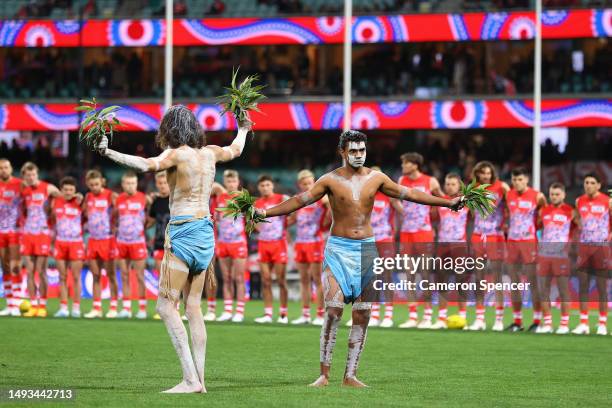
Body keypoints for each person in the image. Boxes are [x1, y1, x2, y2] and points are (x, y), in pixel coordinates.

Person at [256, 130, 463, 387]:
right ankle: (324, 374)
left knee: (363, 314)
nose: (358, 155)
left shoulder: (377, 178)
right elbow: (299, 201)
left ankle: (350, 375)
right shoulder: (329, 180)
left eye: (362, 150)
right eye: (353, 151)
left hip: (366, 250)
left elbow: (410, 194)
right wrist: (264, 212)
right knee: (333, 311)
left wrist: (447, 202)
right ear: (342, 152)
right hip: (338, 249)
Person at [95, 104, 251, 393]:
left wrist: (108, 152)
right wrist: (243, 127)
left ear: (169, 129)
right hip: (206, 232)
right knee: (193, 307)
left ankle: (190, 380)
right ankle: (200, 380)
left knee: (166, 307)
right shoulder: (211, 152)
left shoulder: (175, 154)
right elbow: (236, 149)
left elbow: (145, 164)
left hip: (183, 231)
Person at [396, 152, 443, 329]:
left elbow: (442, 199)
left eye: (405, 163)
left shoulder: (430, 181)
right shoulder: (401, 181)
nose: (402, 167)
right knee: (409, 275)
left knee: (424, 275)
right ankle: (413, 316)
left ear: (414, 165)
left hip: (424, 233)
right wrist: (402, 210)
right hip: (407, 232)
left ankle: (428, 315)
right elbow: (394, 199)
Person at [468, 161, 510, 331]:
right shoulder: (473, 189)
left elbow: (512, 205)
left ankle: (499, 319)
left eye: (488, 173)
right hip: (478, 235)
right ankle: (480, 318)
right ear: (477, 174)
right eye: (482, 173)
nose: (486, 176)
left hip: (495, 235)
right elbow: (472, 213)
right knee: (479, 278)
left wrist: (505, 222)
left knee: (497, 277)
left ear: (493, 173)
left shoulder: (502, 187)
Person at [505, 167, 546, 332]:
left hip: (529, 242)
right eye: (514, 180)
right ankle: (517, 321)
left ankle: (537, 321)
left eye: (520, 179)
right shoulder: (509, 195)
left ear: (526, 179)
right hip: (512, 242)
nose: (517, 183)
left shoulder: (538, 196)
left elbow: (545, 215)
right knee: (514, 283)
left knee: (532, 282)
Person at [20, 162, 62, 318]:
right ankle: (32, 305)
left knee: (41, 272)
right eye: (27, 175)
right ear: (24, 176)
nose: (31, 177)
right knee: (30, 272)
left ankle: (42, 305)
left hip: (43, 234)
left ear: (37, 174)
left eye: (33, 174)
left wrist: (52, 207)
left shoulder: (48, 188)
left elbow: (63, 198)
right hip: (28, 234)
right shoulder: (23, 191)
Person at [572, 173, 610, 336]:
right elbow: (577, 219)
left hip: (601, 247)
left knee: (601, 286)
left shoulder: (607, 201)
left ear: (599, 185)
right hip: (584, 247)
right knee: (583, 286)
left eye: (592, 183)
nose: (588, 185)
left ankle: (602, 323)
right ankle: (583, 323)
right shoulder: (579, 201)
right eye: (586, 182)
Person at [536, 182, 576, 334]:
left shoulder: (570, 211)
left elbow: (579, 227)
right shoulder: (543, 211)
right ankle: (547, 323)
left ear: (564, 195)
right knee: (543, 290)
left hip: (561, 256)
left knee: (563, 290)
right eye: (552, 194)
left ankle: (564, 324)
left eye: (557, 194)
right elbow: (538, 228)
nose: (554, 197)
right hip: (544, 255)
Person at [431, 173, 470, 330]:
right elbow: (432, 219)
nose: (449, 186)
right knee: (442, 282)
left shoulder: (466, 203)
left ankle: (463, 317)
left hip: (459, 245)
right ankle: (441, 317)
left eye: (453, 184)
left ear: (459, 186)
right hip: (443, 245)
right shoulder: (441, 203)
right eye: (447, 184)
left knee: (461, 282)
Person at [291, 169, 330, 326]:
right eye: (305, 183)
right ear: (300, 185)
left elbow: (331, 210)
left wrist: (325, 223)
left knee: (317, 279)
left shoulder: (321, 198)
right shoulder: (298, 199)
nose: (308, 185)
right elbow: (292, 219)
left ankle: (320, 314)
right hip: (300, 242)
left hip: (315, 242)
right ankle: (305, 313)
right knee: (304, 279)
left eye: (310, 182)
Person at [212, 170, 248, 323]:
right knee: (226, 278)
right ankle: (227, 310)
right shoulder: (219, 197)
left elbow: (252, 218)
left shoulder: (243, 198)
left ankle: (239, 311)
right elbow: (215, 218)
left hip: (238, 242)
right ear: (225, 182)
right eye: (228, 181)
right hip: (223, 242)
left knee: (238, 278)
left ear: (238, 182)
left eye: (234, 181)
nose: (231, 184)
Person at [368, 166, 402, 328]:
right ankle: (373, 314)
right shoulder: (364, 195)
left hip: (386, 239)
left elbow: (402, 212)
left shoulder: (389, 195)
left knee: (386, 277)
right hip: (368, 240)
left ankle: (388, 314)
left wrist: (398, 232)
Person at [253, 175, 290, 324]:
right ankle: (268, 314)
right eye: (262, 185)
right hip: (263, 243)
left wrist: (285, 227)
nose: (265, 188)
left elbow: (293, 213)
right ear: (259, 188)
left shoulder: (281, 198)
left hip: (278, 243)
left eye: (268, 185)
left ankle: (283, 314)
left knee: (281, 280)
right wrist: (258, 229)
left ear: (272, 185)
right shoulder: (257, 203)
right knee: (266, 280)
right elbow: (251, 220)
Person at [83, 170, 119, 319]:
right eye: (91, 185)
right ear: (87, 184)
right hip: (93, 239)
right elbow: (85, 213)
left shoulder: (111, 195)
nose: (94, 187)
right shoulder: (88, 196)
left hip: (108, 239)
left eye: (96, 184)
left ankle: (113, 307)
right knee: (96, 274)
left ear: (102, 182)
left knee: (110, 275)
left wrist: (114, 224)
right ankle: (96, 307)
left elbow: (120, 210)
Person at [114, 171, 151, 319]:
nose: (130, 186)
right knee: (124, 275)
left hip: (137, 242)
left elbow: (151, 217)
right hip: (122, 242)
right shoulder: (118, 200)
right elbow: (115, 218)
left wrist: (143, 229)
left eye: (133, 183)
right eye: (127, 183)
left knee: (140, 276)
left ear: (136, 184)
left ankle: (142, 309)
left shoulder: (145, 198)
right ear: (123, 185)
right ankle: (127, 308)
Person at [51, 177, 85, 318]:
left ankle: (76, 308)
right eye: (65, 190)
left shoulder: (79, 203)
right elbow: (53, 220)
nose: (68, 192)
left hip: (76, 242)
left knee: (76, 277)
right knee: (62, 276)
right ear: (61, 190)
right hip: (60, 242)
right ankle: (63, 307)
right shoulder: (55, 202)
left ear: (75, 191)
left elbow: (88, 216)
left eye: (71, 190)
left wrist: (81, 200)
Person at [0, 159, 23, 316]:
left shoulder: (20, 184)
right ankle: (9, 304)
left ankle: (17, 301)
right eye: (0, 168)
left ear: (11, 168)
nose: (3, 170)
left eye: (6, 167)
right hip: (1, 231)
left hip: (15, 231)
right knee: (5, 267)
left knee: (15, 266)